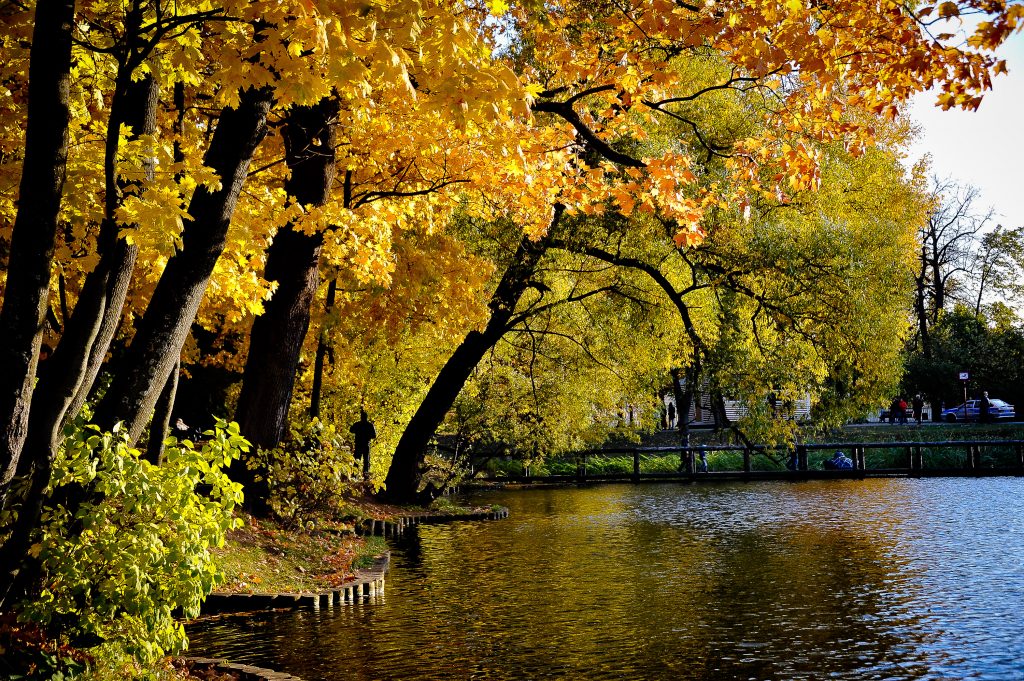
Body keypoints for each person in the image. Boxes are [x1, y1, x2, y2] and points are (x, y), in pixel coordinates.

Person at [349, 409, 377, 479]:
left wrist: (358, 431)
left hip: (359, 445)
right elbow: (374, 435)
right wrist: (368, 435)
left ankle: (355, 476)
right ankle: (365, 477)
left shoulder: (358, 424)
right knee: (365, 461)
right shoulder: (369, 425)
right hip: (365, 445)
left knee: (358, 461)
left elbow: (351, 430)